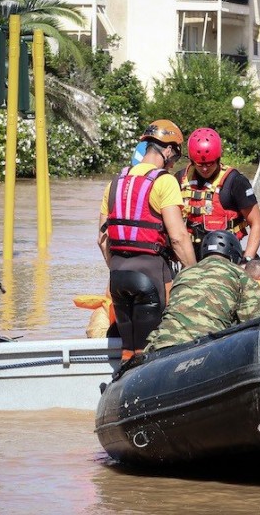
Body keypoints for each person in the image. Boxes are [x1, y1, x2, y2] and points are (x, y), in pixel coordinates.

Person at [98, 119, 197, 360]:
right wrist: (195, 273)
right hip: (151, 274)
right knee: (149, 352)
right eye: (175, 156)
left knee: (127, 350)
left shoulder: (114, 183)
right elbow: (177, 237)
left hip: (118, 276)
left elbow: (102, 239)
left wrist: (118, 266)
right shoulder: (165, 181)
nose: (174, 164)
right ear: (168, 150)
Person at [145, 230, 260, 352]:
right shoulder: (239, 274)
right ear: (234, 255)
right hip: (204, 348)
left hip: (162, 344)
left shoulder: (184, 273)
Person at [177, 127, 260, 261]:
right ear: (192, 161)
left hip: (226, 257)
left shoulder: (235, 181)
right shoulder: (180, 179)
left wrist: (247, 259)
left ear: (218, 158)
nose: (205, 169)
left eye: (210, 163)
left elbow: (256, 222)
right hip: (191, 257)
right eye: (200, 164)